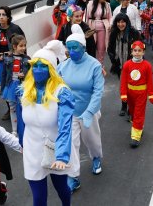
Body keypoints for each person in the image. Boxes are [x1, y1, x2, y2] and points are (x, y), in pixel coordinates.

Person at [17, 40, 77, 206]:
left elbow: (66, 127)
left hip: (56, 148)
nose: (37, 69)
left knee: (61, 188)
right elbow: (22, 124)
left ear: (51, 69)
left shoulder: (62, 93)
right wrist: (21, 143)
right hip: (32, 150)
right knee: (38, 196)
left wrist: (62, 156)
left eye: (43, 66)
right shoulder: (24, 91)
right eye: (35, 65)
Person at [57, 24, 105, 193]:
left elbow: (98, 92)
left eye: (75, 47)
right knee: (71, 143)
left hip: (88, 111)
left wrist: (89, 112)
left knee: (91, 140)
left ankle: (96, 157)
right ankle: (73, 176)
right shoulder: (63, 66)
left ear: (83, 47)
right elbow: (56, 87)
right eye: (68, 48)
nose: (71, 51)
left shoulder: (94, 65)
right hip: (70, 112)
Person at [120, 41, 153, 147]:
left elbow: (150, 81)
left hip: (141, 94)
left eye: (139, 51)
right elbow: (123, 81)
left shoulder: (147, 65)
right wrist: (123, 94)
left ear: (143, 52)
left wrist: (151, 95)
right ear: (131, 52)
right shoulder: (127, 65)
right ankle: (138, 127)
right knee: (132, 112)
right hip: (130, 93)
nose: (137, 53)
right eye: (135, 51)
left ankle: (135, 136)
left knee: (139, 113)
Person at [107, 13, 141, 117]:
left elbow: (140, 47)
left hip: (132, 65)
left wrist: (136, 60)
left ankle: (131, 107)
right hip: (120, 65)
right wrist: (114, 60)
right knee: (124, 87)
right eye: (118, 22)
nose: (120, 24)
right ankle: (124, 106)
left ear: (126, 22)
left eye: (123, 22)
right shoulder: (113, 33)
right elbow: (110, 49)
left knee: (132, 88)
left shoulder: (134, 33)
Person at [0, 34, 30, 136]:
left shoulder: (27, 59)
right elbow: (4, 75)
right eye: (21, 46)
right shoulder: (7, 59)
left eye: (24, 45)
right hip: (11, 86)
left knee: (24, 108)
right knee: (12, 109)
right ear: (14, 47)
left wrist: (25, 74)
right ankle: (14, 130)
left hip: (23, 86)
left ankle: (26, 128)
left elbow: (31, 74)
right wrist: (2, 89)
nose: (23, 48)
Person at [85, 0, 112, 66]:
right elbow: (86, 16)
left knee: (101, 48)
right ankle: (91, 65)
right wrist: (85, 27)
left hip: (102, 28)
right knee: (91, 47)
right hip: (91, 27)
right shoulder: (90, 4)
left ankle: (100, 65)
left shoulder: (107, 5)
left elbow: (110, 17)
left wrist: (110, 24)